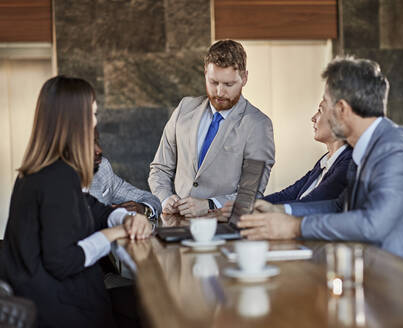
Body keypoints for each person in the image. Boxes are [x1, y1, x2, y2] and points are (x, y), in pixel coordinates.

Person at [238, 56, 403, 272]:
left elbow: (371, 225)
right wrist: (281, 210)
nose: (318, 114)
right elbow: (338, 206)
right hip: (385, 276)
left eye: (325, 104)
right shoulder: (365, 148)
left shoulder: (395, 150)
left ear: (342, 109)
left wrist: (294, 227)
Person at [0, 76, 151, 327]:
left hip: (56, 297)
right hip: (57, 308)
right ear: (74, 121)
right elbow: (64, 262)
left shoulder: (43, 172)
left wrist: (126, 218)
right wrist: (116, 232)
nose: (95, 122)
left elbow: (92, 208)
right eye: (92, 114)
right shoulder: (56, 177)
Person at [149, 39, 275, 217]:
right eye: (213, 82)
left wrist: (209, 205)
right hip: (175, 226)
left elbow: (251, 193)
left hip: (224, 230)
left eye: (229, 84)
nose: (220, 92)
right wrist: (164, 198)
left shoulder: (258, 125)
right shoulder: (184, 108)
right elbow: (160, 168)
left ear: (244, 78)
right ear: (205, 73)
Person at [263, 105, 352, 204]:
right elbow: (288, 194)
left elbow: (311, 204)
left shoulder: (348, 162)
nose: (313, 118)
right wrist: (250, 206)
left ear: (339, 118)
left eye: (320, 111)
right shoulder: (325, 160)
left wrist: (264, 210)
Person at [90, 128, 162, 219]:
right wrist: (111, 215)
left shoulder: (102, 168)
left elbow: (151, 199)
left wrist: (143, 209)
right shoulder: (67, 182)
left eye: (96, 141)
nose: (99, 150)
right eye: (89, 144)